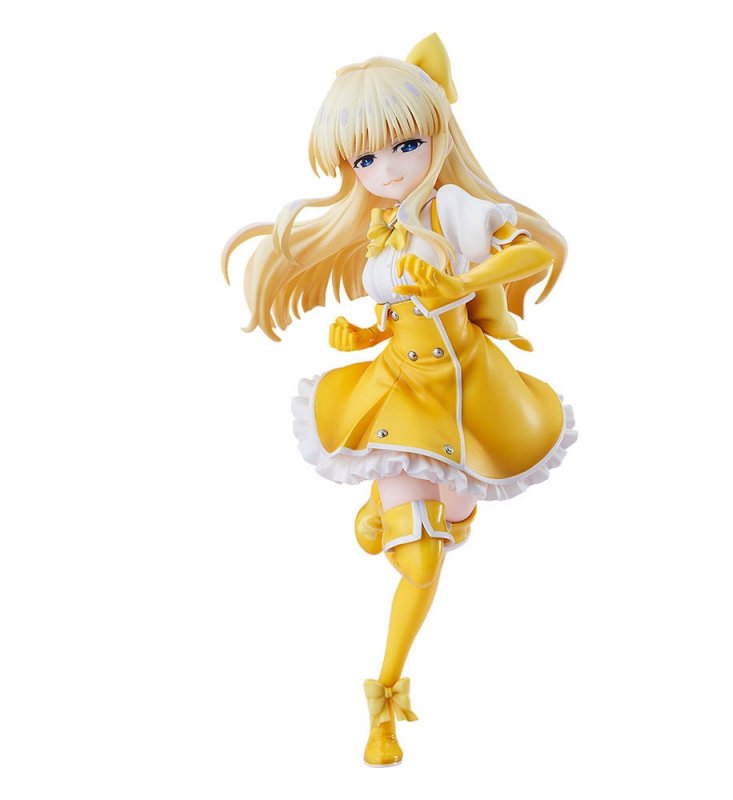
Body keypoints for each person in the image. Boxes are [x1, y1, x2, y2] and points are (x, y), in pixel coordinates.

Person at [223, 33, 577, 766]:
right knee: (421, 563)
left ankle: (407, 513)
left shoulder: (454, 208)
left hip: (465, 389)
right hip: (399, 391)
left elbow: (532, 249)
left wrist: (463, 283)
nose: (386, 170)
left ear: (436, 134)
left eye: (405, 146)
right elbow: (395, 312)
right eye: (365, 160)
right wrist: (362, 332)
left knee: (453, 517)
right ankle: (384, 697)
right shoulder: (381, 231)